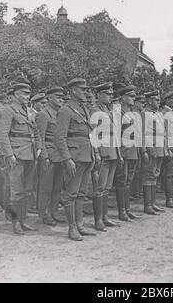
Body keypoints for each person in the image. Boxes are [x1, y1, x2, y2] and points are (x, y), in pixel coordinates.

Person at [54, 77, 101, 241]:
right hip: (74, 157)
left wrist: (95, 153)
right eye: (82, 89)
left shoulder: (84, 109)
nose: (86, 92)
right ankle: (72, 227)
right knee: (71, 194)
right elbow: (59, 138)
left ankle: (80, 224)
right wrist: (67, 159)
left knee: (81, 193)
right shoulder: (66, 110)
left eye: (86, 89)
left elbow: (89, 134)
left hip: (86, 156)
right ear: (73, 90)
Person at [0, 83, 42, 235]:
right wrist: (9, 154)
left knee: (27, 190)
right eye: (23, 94)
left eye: (28, 94)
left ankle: (23, 220)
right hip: (16, 154)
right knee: (16, 191)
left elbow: (36, 131)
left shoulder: (28, 111)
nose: (27, 97)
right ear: (14, 95)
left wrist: (39, 147)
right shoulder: (8, 110)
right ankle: (15, 223)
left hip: (30, 154)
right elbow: (1, 134)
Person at [90, 82, 123, 227]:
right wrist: (96, 152)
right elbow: (92, 133)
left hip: (113, 151)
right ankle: (98, 220)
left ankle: (105, 217)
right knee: (99, 187)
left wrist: (119, 153)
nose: (111, 96)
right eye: (108, 94)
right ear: (99, 95)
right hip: (102, 152)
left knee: (107, 187)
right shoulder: (94, 110)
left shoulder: (109, 111)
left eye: (111, 94)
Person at [35, 87, 65, 226]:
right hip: (49, 155)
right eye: (58, 97)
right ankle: (44, 214)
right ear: (50, 98)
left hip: (60, 155)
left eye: (62, 97)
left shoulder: (60, 113)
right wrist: (44, 156)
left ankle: (53, 212)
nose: (61, 100)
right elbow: (40, 137)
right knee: (46, 187)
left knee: (57, 186)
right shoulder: (43, 114)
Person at [113, 84, 141, 220]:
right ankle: (122, 211)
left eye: (134, 96)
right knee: (121, 181)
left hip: (132, 150)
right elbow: (116, 135)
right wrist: (118, 154)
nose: (133, 98)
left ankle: (127, 209)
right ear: (123, 98)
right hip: (123, 151)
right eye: (131, 96)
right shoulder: (117, 113)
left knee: (128, 181)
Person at [140, 90, 168, 214]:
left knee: (155, 175)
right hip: (151, 149)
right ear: (150, 101)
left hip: (159, 148)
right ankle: (147, 205)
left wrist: (166, 149)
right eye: (156, 100)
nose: (158, 102)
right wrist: (144, 151)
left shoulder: (158, 114)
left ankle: (153, 203)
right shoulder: (144, 114)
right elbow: (141, 134)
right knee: (148, 176)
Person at [130, 94, 146, 200]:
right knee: (133, 171)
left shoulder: (140, 114)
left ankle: (137, 191)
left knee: (139, 170)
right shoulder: (133, 114)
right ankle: (133, 192)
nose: (142, 105)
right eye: (141, 102)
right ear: (136, 103)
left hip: (138, 146)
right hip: (133, 146)